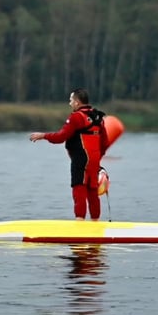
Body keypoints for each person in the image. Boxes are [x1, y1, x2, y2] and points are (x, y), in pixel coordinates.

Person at [29, 88, 109, 221]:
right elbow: (105, 142)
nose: (69, 103)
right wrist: (97, 157)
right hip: (94, 159)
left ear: (77, 102)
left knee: (79, 188)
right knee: (92, 190)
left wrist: (43, 135)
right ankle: (96, 223)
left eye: (71, 100)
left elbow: (61, 136)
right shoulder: (97, 117)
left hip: (81, 159)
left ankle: (79, 221)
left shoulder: (77, 117)